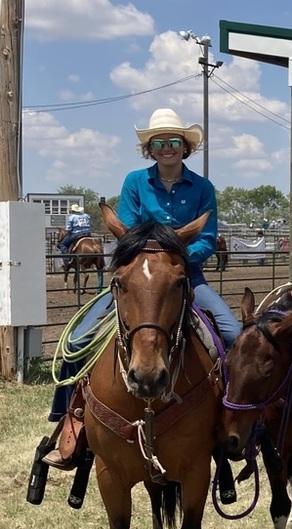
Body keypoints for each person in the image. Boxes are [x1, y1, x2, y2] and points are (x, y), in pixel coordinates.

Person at [41, 107, 240, 469]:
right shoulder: (134, 183)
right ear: (150, 148)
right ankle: (71, 424)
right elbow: (129, 232)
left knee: (234, 335)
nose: (167, 148)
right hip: (136, 280)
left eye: (173, 142)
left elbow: (208, 239)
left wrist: (174, 259)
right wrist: (152, 259)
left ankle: (228, 424)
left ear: (185, 147)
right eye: (159, 142)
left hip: (185, 277)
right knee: (75, 342)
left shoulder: (203, 188)